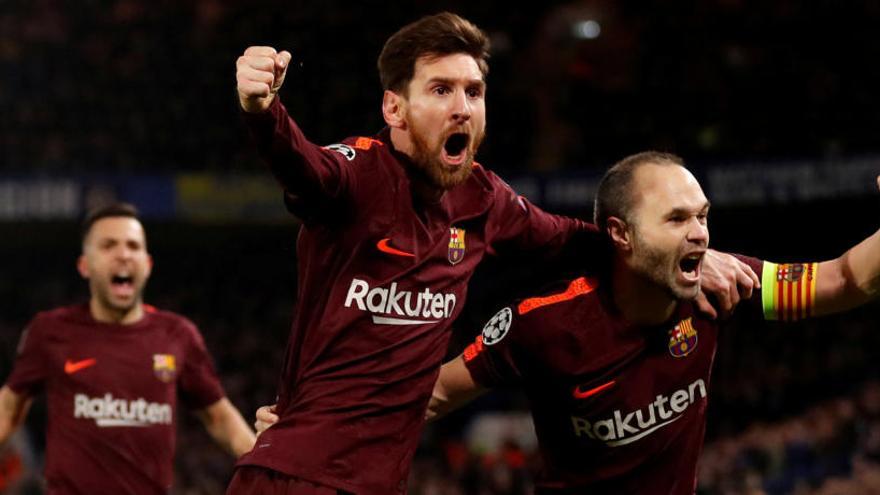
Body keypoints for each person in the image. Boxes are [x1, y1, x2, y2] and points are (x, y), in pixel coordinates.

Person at [233, 13, 757, 494]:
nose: (462, 107)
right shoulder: (357, 175)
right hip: (298, 476)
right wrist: (264, 111)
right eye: (440, 90)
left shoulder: (483, 200)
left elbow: (580, 240)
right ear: (394, 107)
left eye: (474, 91)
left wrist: (677, 251)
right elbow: (304, 167)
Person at [421, 152, 880, 494]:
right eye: (677, 219)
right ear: (621, 234)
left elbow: (843, 281)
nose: (699, 232)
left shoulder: (720, 284)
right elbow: (434, 394)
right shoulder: (545, 322)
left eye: (702, 216)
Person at [0, 203, 256, 494]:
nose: (123, 254)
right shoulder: (49, 331)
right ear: (84, 265)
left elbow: (220, 418)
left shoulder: (177, 334)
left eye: (133, 246)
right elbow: (8, 410)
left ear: (147, 265)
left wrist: (268, 464)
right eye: (108, 245)